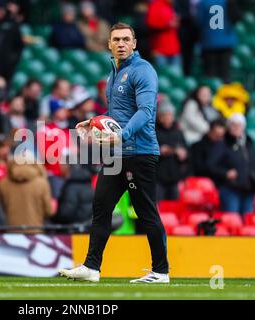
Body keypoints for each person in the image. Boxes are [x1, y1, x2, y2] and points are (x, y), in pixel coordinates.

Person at [59, 23, 170, 283]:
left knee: (145, 211)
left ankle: (161, 271)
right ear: (109, 44)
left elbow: (145, 111)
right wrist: (95, 121)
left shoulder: (143, 71)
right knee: (101, 207)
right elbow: (118, 115)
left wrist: (122, 135)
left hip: (140, 152)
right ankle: (91, 267)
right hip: (117, 153)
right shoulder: (113, 74)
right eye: (116, 39)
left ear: (134, 43)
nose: (121, 43)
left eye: (125, 39)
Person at [207, 113, 255, 215]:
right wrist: (225, 173)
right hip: (230, 189)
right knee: (231, 220)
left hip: (248, 189)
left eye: (239, 125)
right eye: (234, 125)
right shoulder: (223, 144)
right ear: (229, 127)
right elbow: (211, 165)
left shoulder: (249, 144)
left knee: (248, 222)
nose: (237, 128)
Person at [0, 151, 54, 233]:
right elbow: (49, 211)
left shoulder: (3, 183)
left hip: (11, 232)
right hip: (35, 231)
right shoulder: (42, 183)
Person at [197, 0, 240, 83]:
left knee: (210, 74)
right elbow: (236, 18)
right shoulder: (227, 1)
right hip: (226, 40)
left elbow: (199, 20)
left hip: (209, 40)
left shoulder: (204, 3)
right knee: (225, 73)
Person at [36, 100, 71, 199]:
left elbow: (76, 151)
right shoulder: (46, 130)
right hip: (53, 174)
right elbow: (46, 154)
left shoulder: (66, 130)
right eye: (61, 109)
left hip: (68, 174)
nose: (65, 111)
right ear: (55, 112)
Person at [156, 100, 188, 201]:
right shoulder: (153, 131)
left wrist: (183, 154)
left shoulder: (178, 132)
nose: (168, 117)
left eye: (170, 115)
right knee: (157, 207)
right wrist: (158, 151)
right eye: (165, 115)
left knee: (174, 208)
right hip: (157, 178)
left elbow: (186, 152)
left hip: (174, 178)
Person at [146, 0, 181, 67]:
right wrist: (167, 24)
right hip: (160, 50)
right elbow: (150, 23)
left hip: (174, 49)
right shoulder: (156, 5)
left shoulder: (171, 6)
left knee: (176, 75)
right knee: (163, 76)